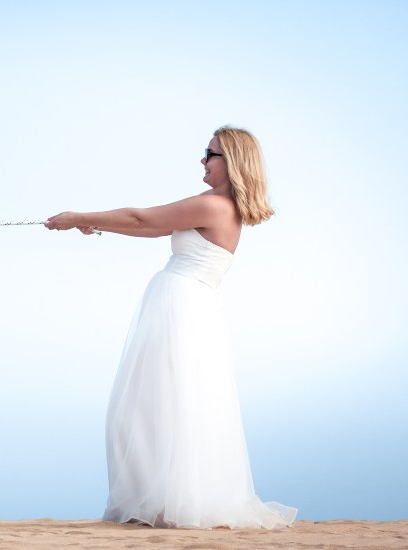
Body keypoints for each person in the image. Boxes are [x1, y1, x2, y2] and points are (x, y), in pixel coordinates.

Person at [45, 126, 296, 529]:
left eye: (210, 153)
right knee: (163, 405)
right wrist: (94, 224)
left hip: (182, 308)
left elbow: (142, 217)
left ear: (231, 161)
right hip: (186, 307)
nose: (202, 159)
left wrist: (78, 216)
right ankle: (164, 502)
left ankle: (166, 505)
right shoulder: (214, 205)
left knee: (156, 407)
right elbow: (148, 226)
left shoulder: (214, 206)